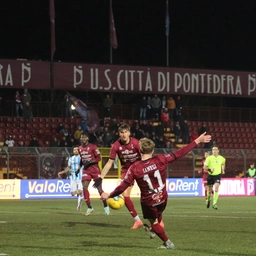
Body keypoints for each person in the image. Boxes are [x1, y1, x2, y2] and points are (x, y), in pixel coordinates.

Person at [101, 132, 211, 249]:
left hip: (149, 202)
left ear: (140, 151)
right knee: (157, 218)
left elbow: (123, 187)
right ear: (153, 151)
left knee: (153, 222)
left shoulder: (135, 168)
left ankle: (167, 243)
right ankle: (154, 228)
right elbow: (180, 153)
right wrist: (197, 141)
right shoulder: (161, 159)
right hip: (163, 198)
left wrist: (109, 195)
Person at [93, 124, 143, 229]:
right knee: (126, 196)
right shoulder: (116, 146)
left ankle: (158, 220)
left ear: (129, 133)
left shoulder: (136, 143)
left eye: (125, 132)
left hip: (140, 169)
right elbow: (109, 163)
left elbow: (144, 157)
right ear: (119, 134)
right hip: (127, 172)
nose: (124, 134)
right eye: (121, 132)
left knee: (149, 195)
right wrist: (101, 177)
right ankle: (138, 221)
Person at [76, 132, 110, 216]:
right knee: (84, 187)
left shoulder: (93, 147)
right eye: (82, 137)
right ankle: (89, 207)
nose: (83, 139)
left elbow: (99, 158)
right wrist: (79, 168)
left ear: (87, 138)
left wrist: (90, 162)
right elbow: (82, 159)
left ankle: (105, 206)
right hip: (86, 170)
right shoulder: (79, 148)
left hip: (95, 170)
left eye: (84, 137)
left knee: (99, 189)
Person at [57, 146, 84, 211]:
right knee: (73, 194)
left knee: (80, 191)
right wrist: (62, 172)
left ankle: (78, 206)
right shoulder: (71, 159)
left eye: (76, 150)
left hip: (80, 176)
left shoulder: (82, 158)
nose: (75, 151)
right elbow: (68, 167)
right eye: (74, 150)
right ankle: (81, 195)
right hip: (72, 177)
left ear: (79, 151)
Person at [204, 145, 226, 210]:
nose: (214, 151)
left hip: (217, 175)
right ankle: (208, 200)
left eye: (216, 149)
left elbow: (223, 163)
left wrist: (223, 169)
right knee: (209, 191)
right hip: (210, 176)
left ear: (218, 151)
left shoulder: (222, 158)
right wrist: (210, 169)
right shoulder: (209, 158)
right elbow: (205, 167)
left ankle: (214, 204)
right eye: (213, 150)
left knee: (216, 188)